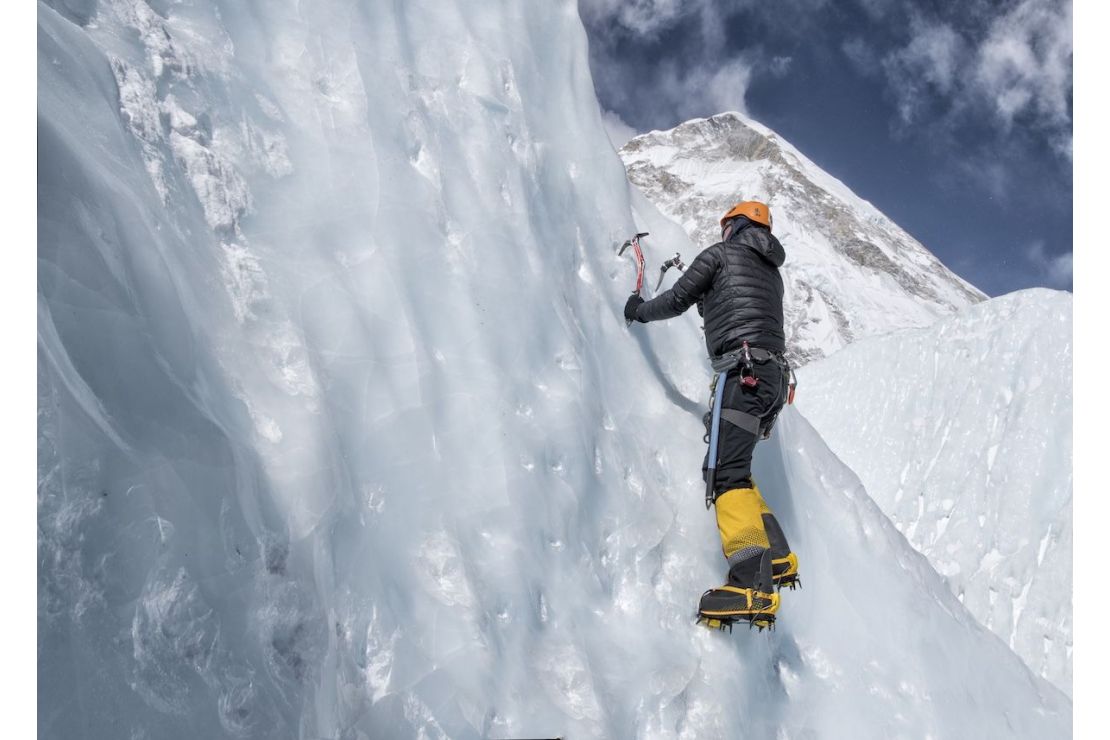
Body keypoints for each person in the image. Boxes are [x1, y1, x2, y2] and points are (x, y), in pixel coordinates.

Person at [624, 200, 799, 628]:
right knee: (738, 469)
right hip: (774, 381)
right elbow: (737, 308)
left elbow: (677, 299)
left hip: (743, 375)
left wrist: (637, 311)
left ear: (733, 226)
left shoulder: (721, 255)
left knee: (725, 476)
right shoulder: (772, 274)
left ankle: (752, 585)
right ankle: (776, 559)